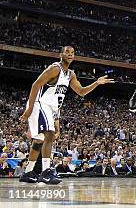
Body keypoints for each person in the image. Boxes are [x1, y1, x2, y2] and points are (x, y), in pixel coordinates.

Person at [19, 46, 114, 184]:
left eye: (72, 52)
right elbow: (35, 85)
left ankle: (27, 173)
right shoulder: (55, 68)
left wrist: (96, 83)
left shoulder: (70, 74)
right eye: (67, 52)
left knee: (39, 141)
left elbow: (81, 91)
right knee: (50, 135)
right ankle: (46, 172)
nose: (70, 54)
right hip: (40, 104)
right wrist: (29, 109)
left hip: (50, 107)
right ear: (61, 54)